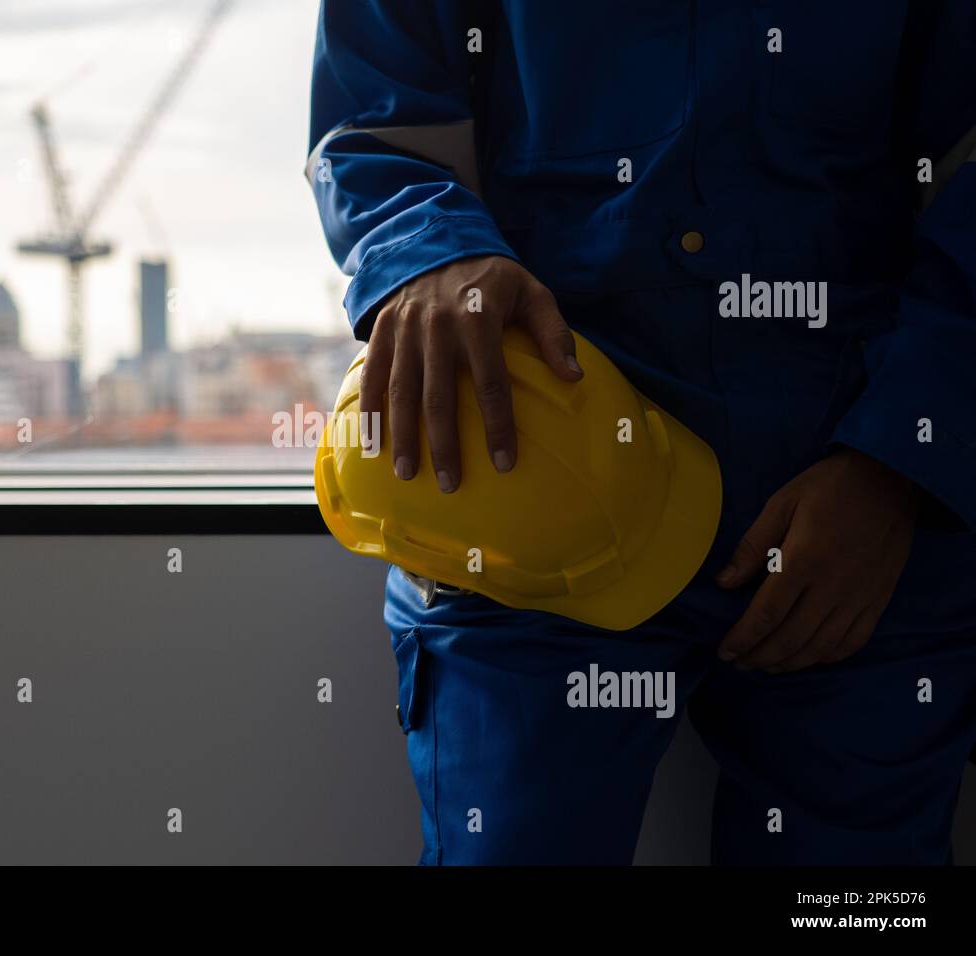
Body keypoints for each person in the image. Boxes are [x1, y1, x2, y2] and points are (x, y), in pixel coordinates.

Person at [307, 1, 976, 864]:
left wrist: (902, 460)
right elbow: (374, 128)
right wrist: (432, 254)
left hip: (857, 519)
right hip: (534, 503)